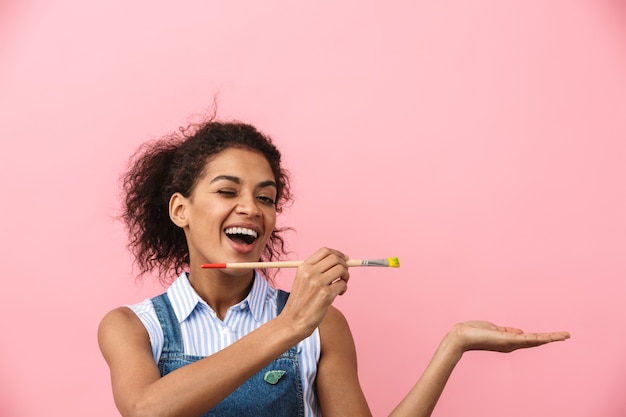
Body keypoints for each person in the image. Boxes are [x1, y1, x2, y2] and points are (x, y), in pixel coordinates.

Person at [98, 118, 570, 417]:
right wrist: (291, 326)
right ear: (180, 210)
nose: (251, 208)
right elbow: (146, 410)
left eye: (266, 197)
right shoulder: (131, 328)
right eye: (227, 191)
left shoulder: (325, 326)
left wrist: (453, 345)